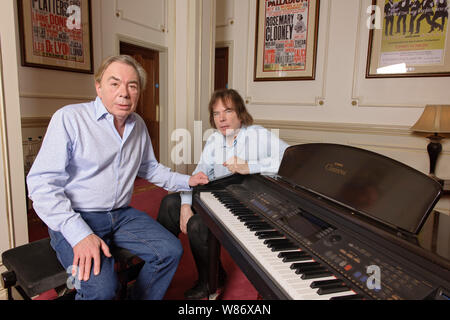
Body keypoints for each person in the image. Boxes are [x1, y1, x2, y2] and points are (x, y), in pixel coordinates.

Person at [26, 55, 209, 300]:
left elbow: (149, 168)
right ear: (98, 87)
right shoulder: (70, 118)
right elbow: (41, 184)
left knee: (170, 251)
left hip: (120, 215)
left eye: (132, 86)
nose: (124, 92)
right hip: (76, 215)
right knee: (101, 289)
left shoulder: (138, 125)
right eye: (115, 83)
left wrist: (186, 181)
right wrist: (79, 234)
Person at [157, 89, 289, 300]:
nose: (222, 118)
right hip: (218, 195)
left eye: (227, 111)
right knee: (169, 203)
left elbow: (290, 160)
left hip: (245, 201)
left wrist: (250, 166)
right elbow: (198, 175)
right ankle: (159, 265)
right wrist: (184, 204)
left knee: (197, 224)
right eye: (216, 113)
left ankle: (210, 280)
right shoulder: (214, 141)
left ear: (240, 113)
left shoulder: (257, 134)